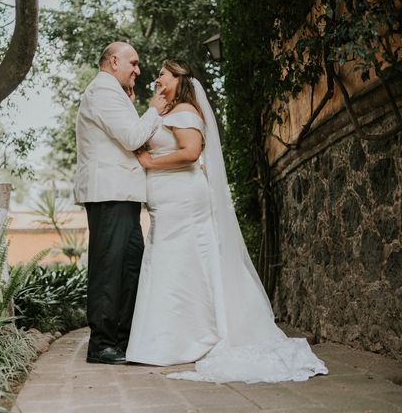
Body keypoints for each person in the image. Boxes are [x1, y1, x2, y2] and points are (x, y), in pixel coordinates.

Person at [125, 60, 328, 383]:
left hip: (182, 199)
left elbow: (191, 153)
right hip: (168, 200)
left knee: (179, 260)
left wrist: (151, 161)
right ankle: (173, 339)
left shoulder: (186, 113)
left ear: (179, 79)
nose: (157, 78)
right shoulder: (169, 112)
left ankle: (195, 337)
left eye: (163, 73)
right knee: (172, 262)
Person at [74, 42, 167, 365]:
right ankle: (101, 344)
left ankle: (123, 339)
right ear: (114, 61)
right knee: (108, 269)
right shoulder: (102, 92)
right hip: (108, 193)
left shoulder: (115, 94)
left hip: (124, 194)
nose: (138, 71)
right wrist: (153, 108)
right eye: (134, 63)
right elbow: (131, 138)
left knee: (130, 267)